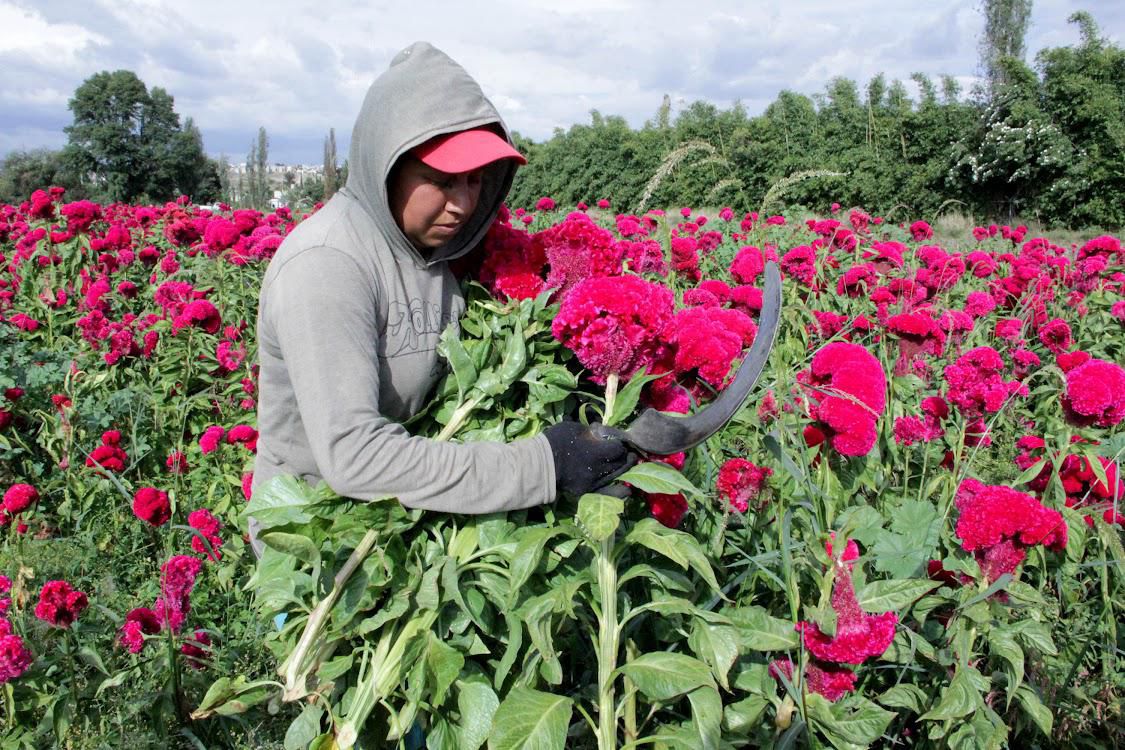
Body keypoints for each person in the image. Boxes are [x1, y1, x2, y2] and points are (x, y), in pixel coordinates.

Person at [249, 42, 632, 552]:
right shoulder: (326, 266)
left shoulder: (436, 251)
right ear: (385, 166)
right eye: (441, 180)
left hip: (397, 524)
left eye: (476, 181)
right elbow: (354, 456)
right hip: (320, 551)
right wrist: (544, 464)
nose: (463, 204)